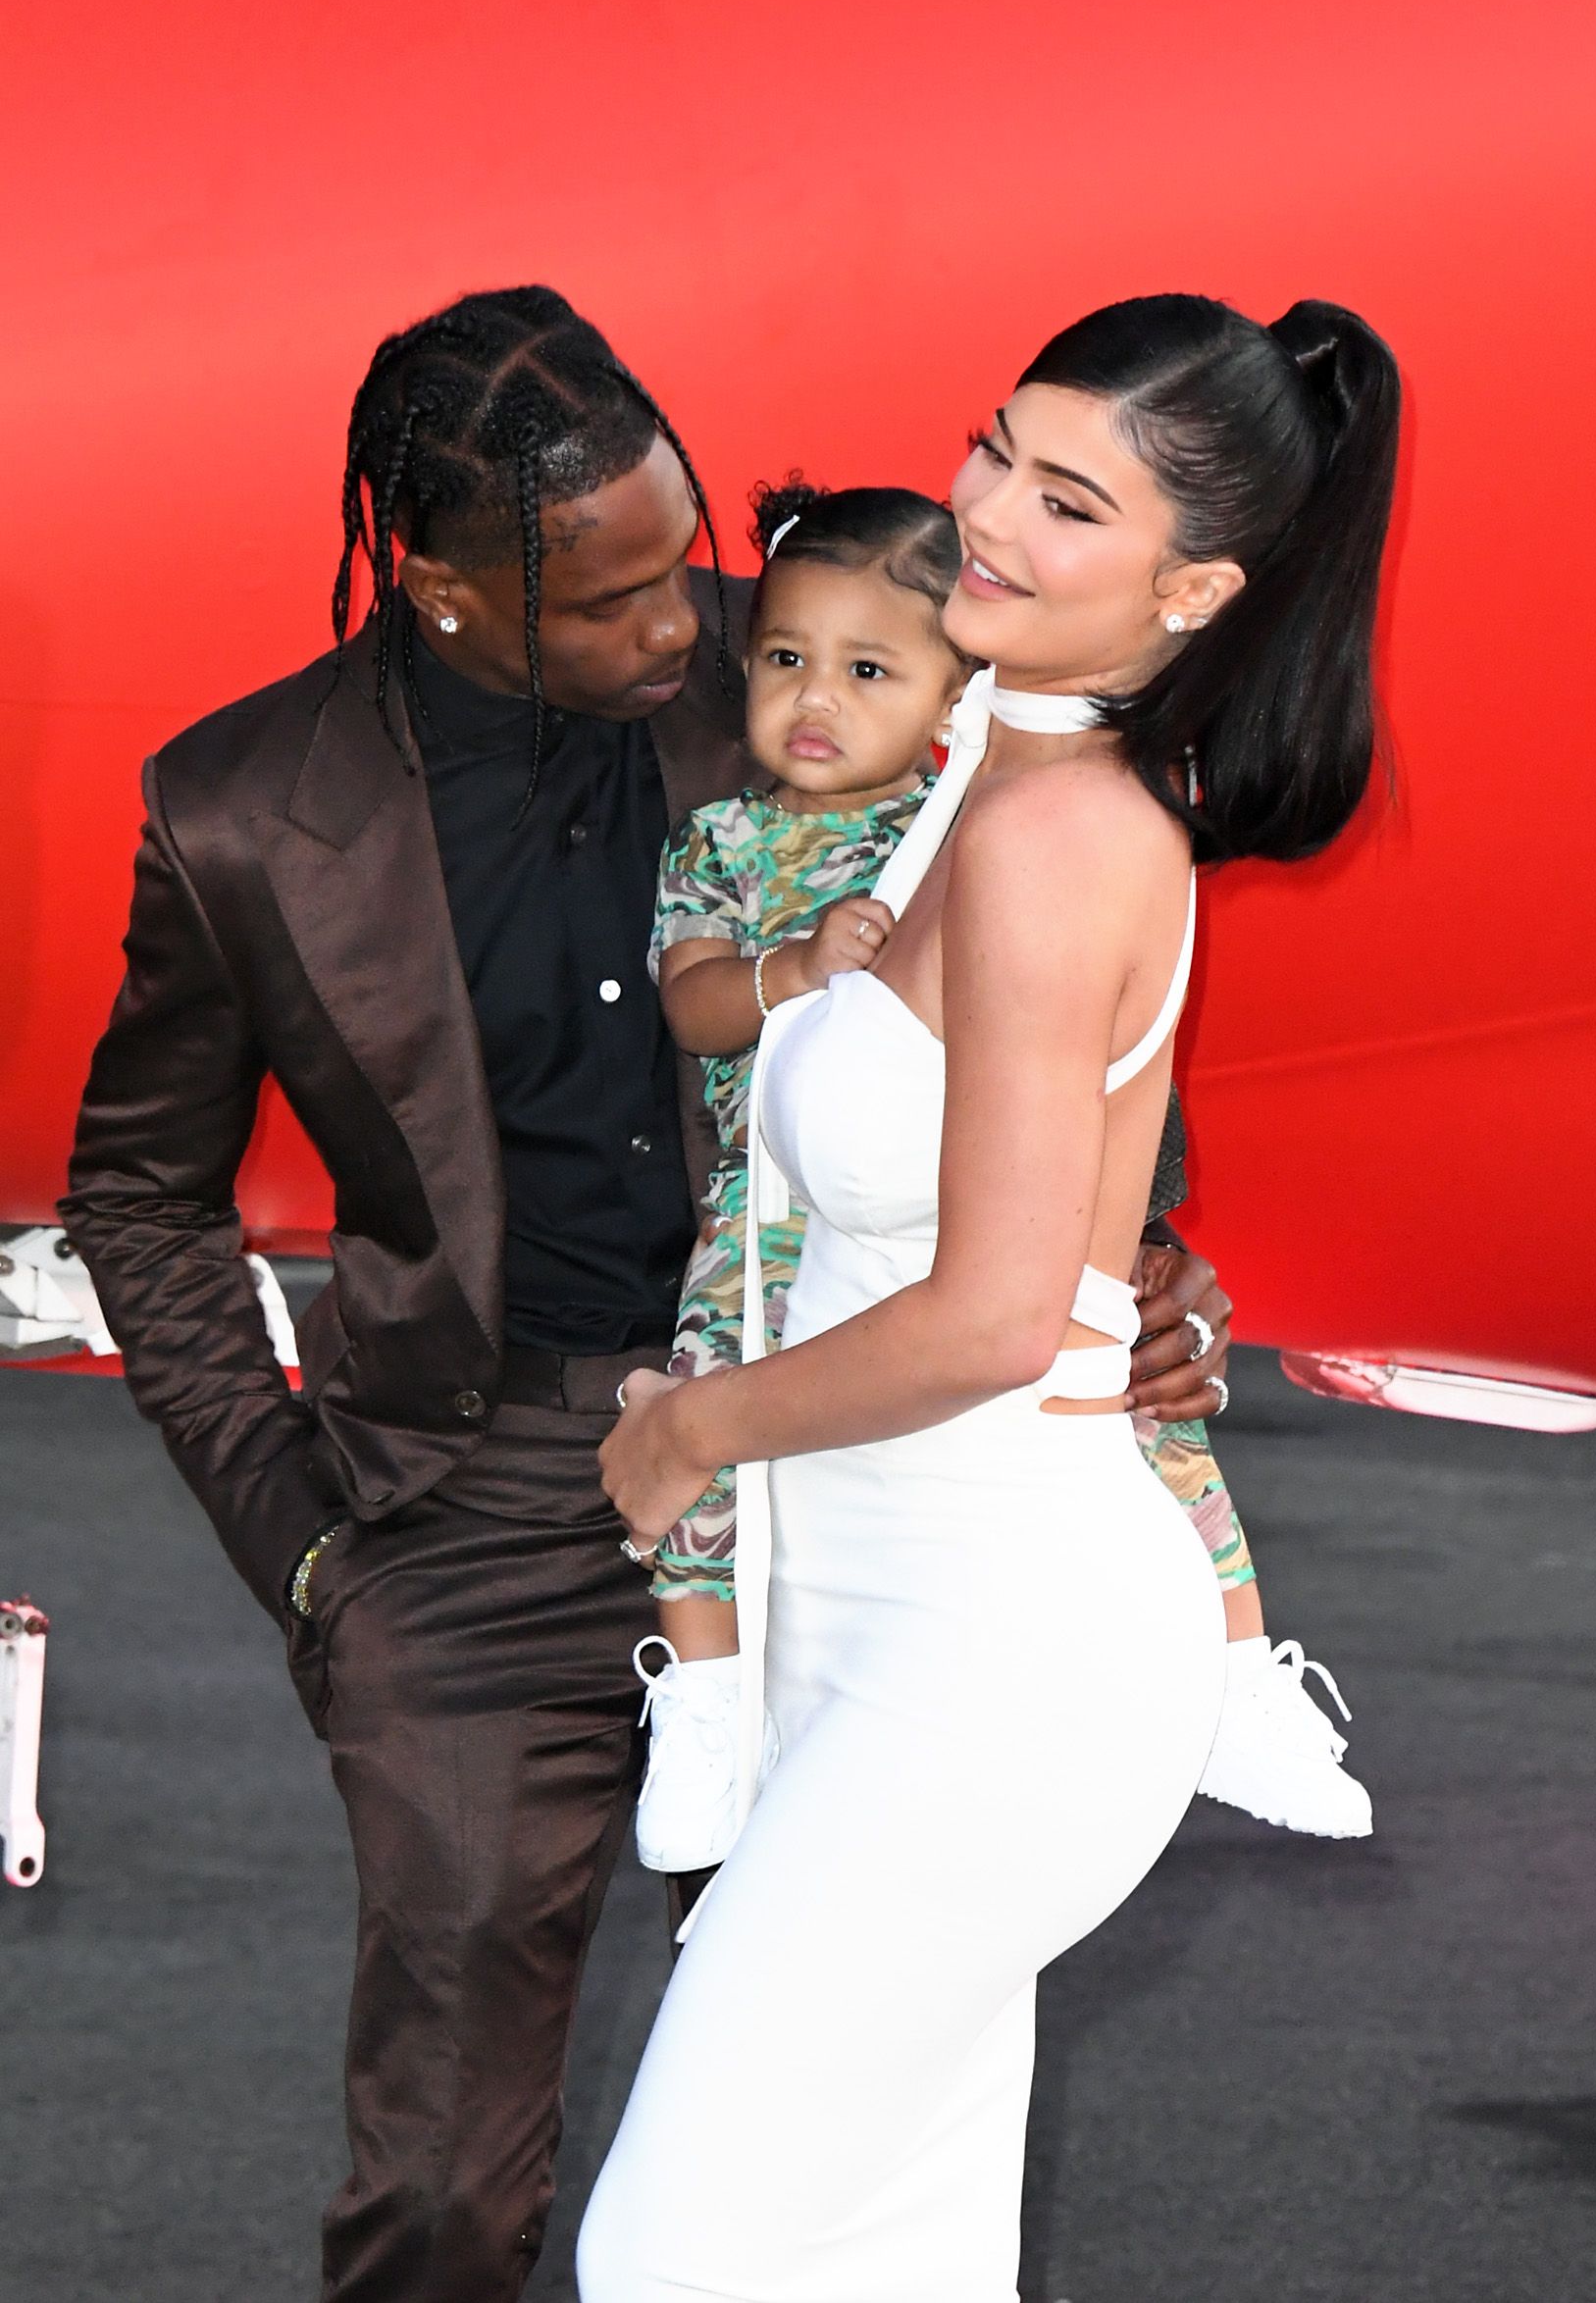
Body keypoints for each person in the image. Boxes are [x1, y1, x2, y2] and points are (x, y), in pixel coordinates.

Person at [59, 282, 1233, 2302]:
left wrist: (1134, 1272)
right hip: (471, 1509)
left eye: (680, 554)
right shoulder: (244, 811)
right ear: (436, 587)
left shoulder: (837, 671)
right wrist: (304, 1547)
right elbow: (140, 1193)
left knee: (836, 2154)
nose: (683, 630)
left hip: (832, 1475)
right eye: (607, 603)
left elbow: (1037, 1031)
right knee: (437, 2188)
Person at [580, 291, 1400, 2300]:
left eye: (1065, 501)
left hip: (992, 1648)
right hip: (862, 1615)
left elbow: (995, 1313)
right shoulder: (971, 770)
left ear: (1192, 588)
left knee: (675, 2258)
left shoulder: (1056, 835)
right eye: (990, 452)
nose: (985, 520)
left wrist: (683, 1428)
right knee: (878, 2260)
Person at [637, 478, 1367, 1875]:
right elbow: (693, 1006)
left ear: (951, 690)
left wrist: (1149, 1241)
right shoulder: (720, 843)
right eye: (786, 660)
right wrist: (793, 970)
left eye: (869, 671)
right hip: (768, 1211)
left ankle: (1234, 1668)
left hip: (972, 1226)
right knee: (706, 1413)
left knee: (1143, 1411)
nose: (816, 700)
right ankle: (708, 1698)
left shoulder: (985, 817)